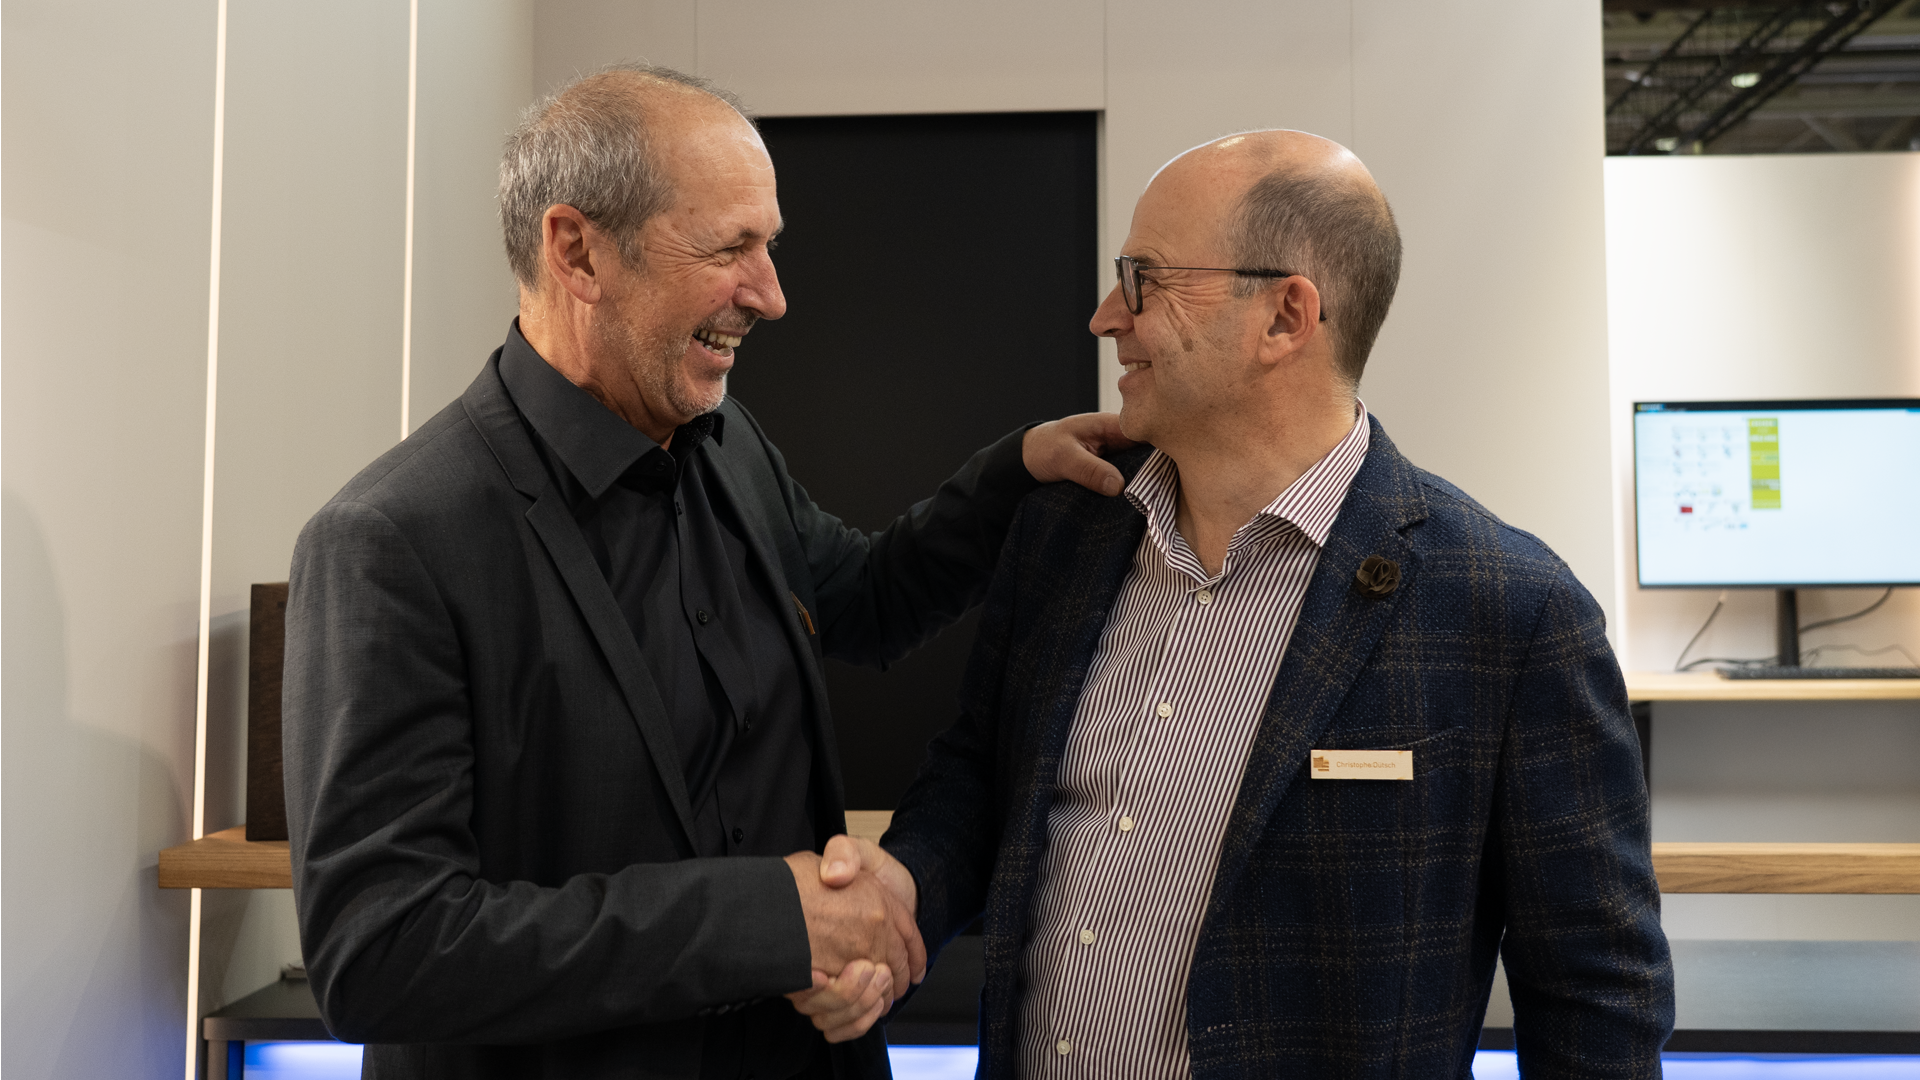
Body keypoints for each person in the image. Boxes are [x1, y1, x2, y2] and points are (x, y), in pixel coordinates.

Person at [280, 64, 1130, 1080]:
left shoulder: (728, 444)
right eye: (730, 248)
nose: (771, 295)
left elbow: (863, 601)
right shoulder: (389, 542)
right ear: (577, 250)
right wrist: (770, 920)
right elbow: (382, 950)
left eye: (768, 245)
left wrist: (1010, 476)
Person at [821, 130, 1674, 1075]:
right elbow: (980, 781)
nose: (1106, 317)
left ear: (1284, 317)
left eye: (1145, 280)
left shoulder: (1508, 613)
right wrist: (898, 893)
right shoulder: (1064, 536)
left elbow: (1597, 994)